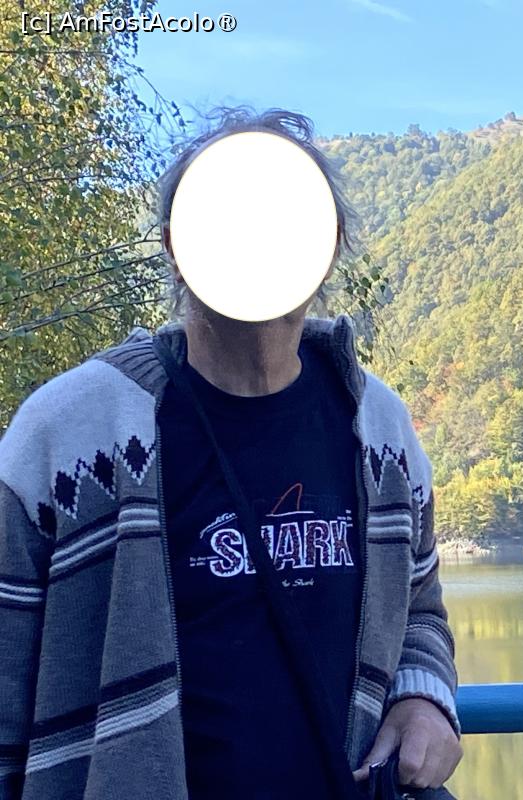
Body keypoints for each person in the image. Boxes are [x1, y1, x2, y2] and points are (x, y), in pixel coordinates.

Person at [0, 107, 462, 799]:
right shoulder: (68, 436)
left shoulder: (380, 431)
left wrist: (424, 697)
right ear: (174, 245)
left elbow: (420, 606)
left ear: (330, 244)